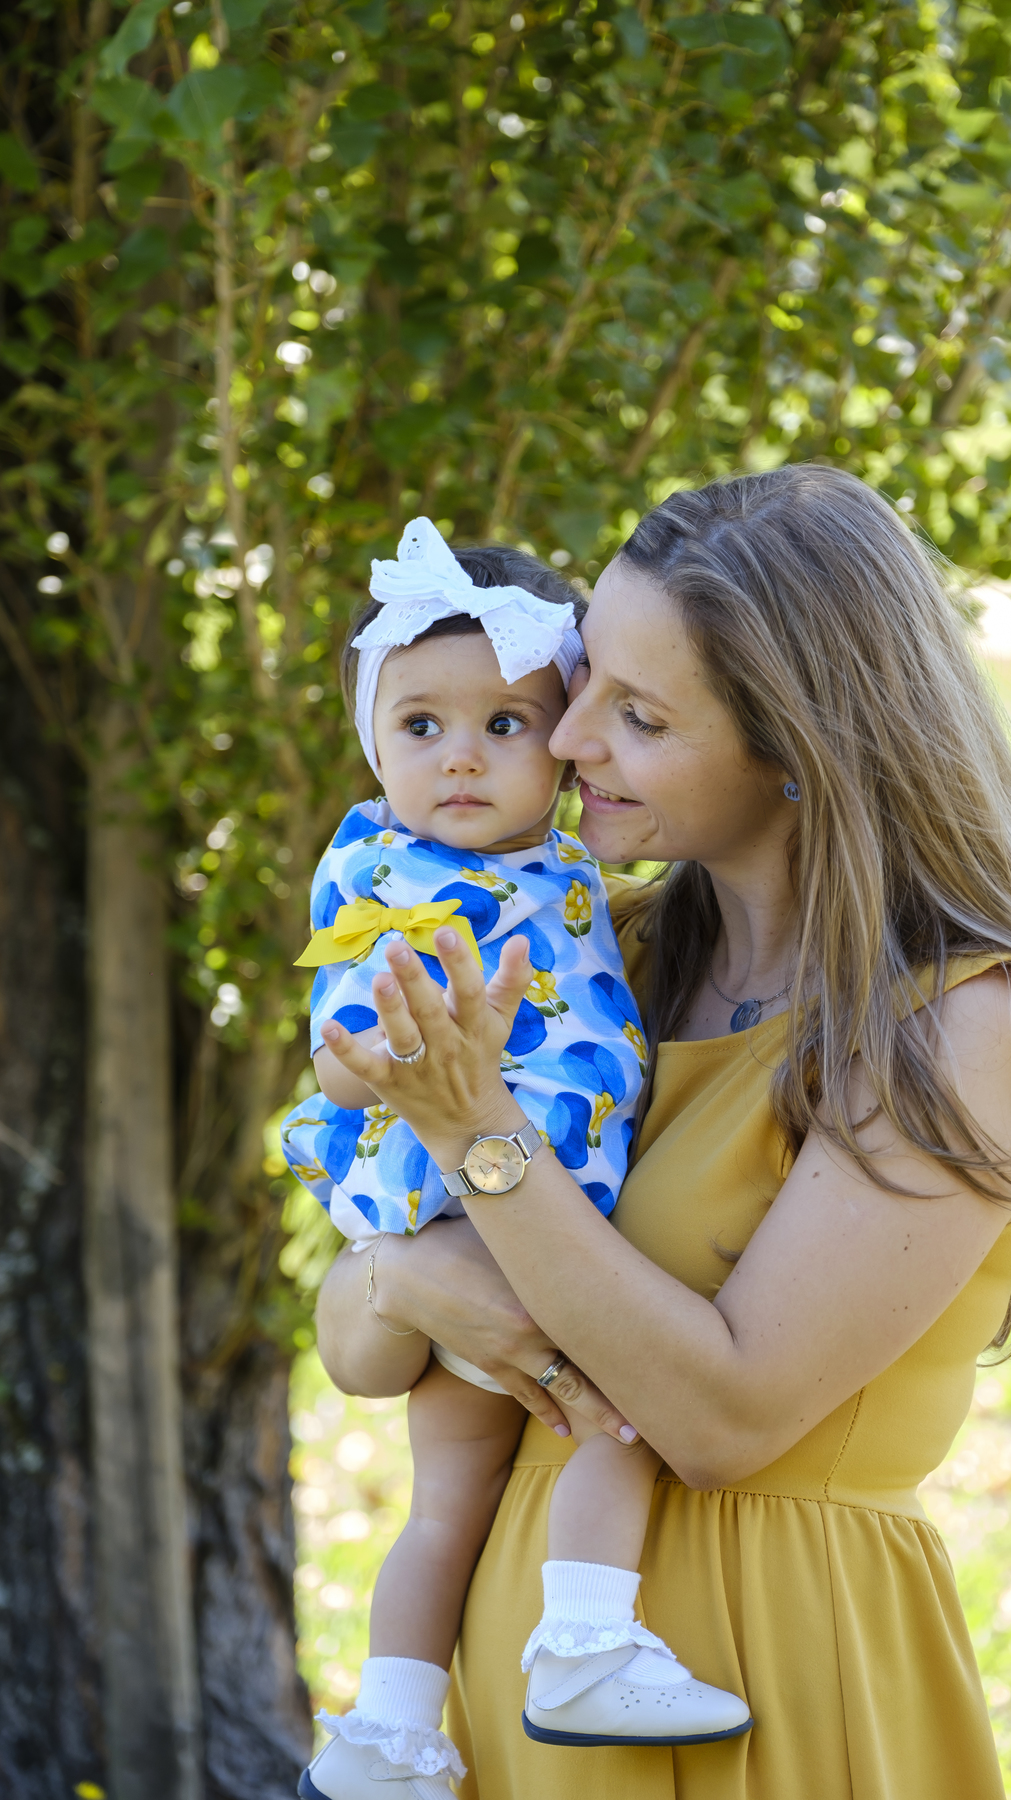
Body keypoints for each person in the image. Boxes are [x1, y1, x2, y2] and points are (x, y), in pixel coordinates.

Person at [314, 465, 1011, 1800]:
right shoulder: (605, 967)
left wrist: (479, 1139)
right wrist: (402, 1273)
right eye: (584, 682)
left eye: (637, 716)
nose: (568, 738)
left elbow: (722, 1414)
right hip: (510, 1693)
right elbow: (355, 1350)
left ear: (799, 751)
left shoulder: (960, 1030)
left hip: (768, 1683)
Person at [286, 521, 750, 1800]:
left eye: (505, 724)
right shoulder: (388, 869)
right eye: (421, 725)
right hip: (470, 1207)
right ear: (370, 734)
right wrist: (419, 1070)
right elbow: (336, 1051)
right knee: (597, 1415)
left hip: (525, 1191)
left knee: (490, 1475)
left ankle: (408, 1724)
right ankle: (552, 1654)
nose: (461, 760)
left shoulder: (574, 866)